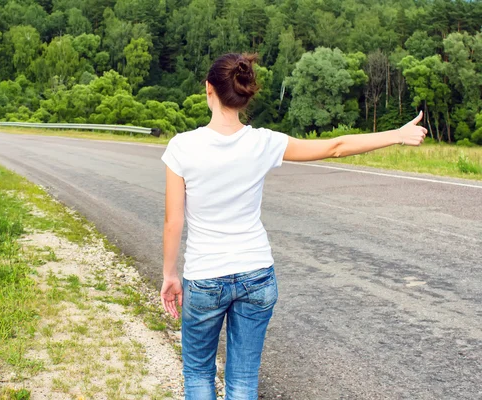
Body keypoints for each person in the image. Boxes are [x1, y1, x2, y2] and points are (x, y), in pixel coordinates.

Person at [160, 53, 426, 400]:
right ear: (243, 95)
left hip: (206, 276)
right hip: (257, 273)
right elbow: (335, 147)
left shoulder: (182, 147)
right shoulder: (264, 142)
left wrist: (169, 274)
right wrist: (396, 134)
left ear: (208, 88)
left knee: (198, 373)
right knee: (242, 381)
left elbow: (173, 220)